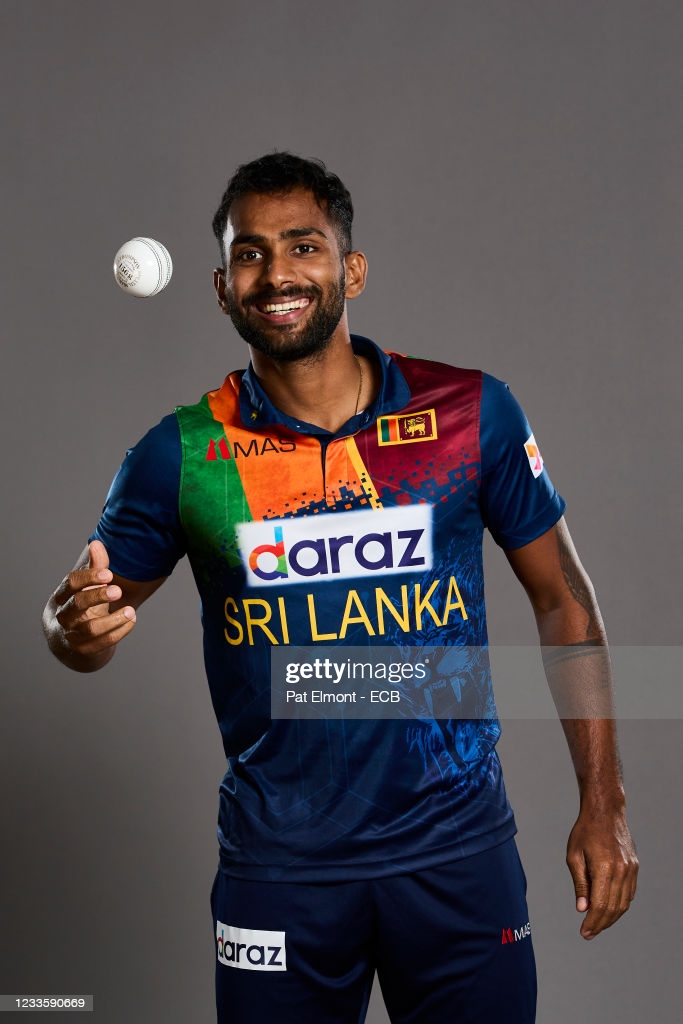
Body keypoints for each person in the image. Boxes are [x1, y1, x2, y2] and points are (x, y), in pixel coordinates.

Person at [43, 152, 638, 1024]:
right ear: (221, 286)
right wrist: (69, 631)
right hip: (278, 872)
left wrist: (604, 802)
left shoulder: (471, 413)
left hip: (457, 855)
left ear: (349, 268)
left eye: (303, 246)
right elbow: (80, 627)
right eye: (250, 254)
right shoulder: (181, 455)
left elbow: (564, 602)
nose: (277, 272)